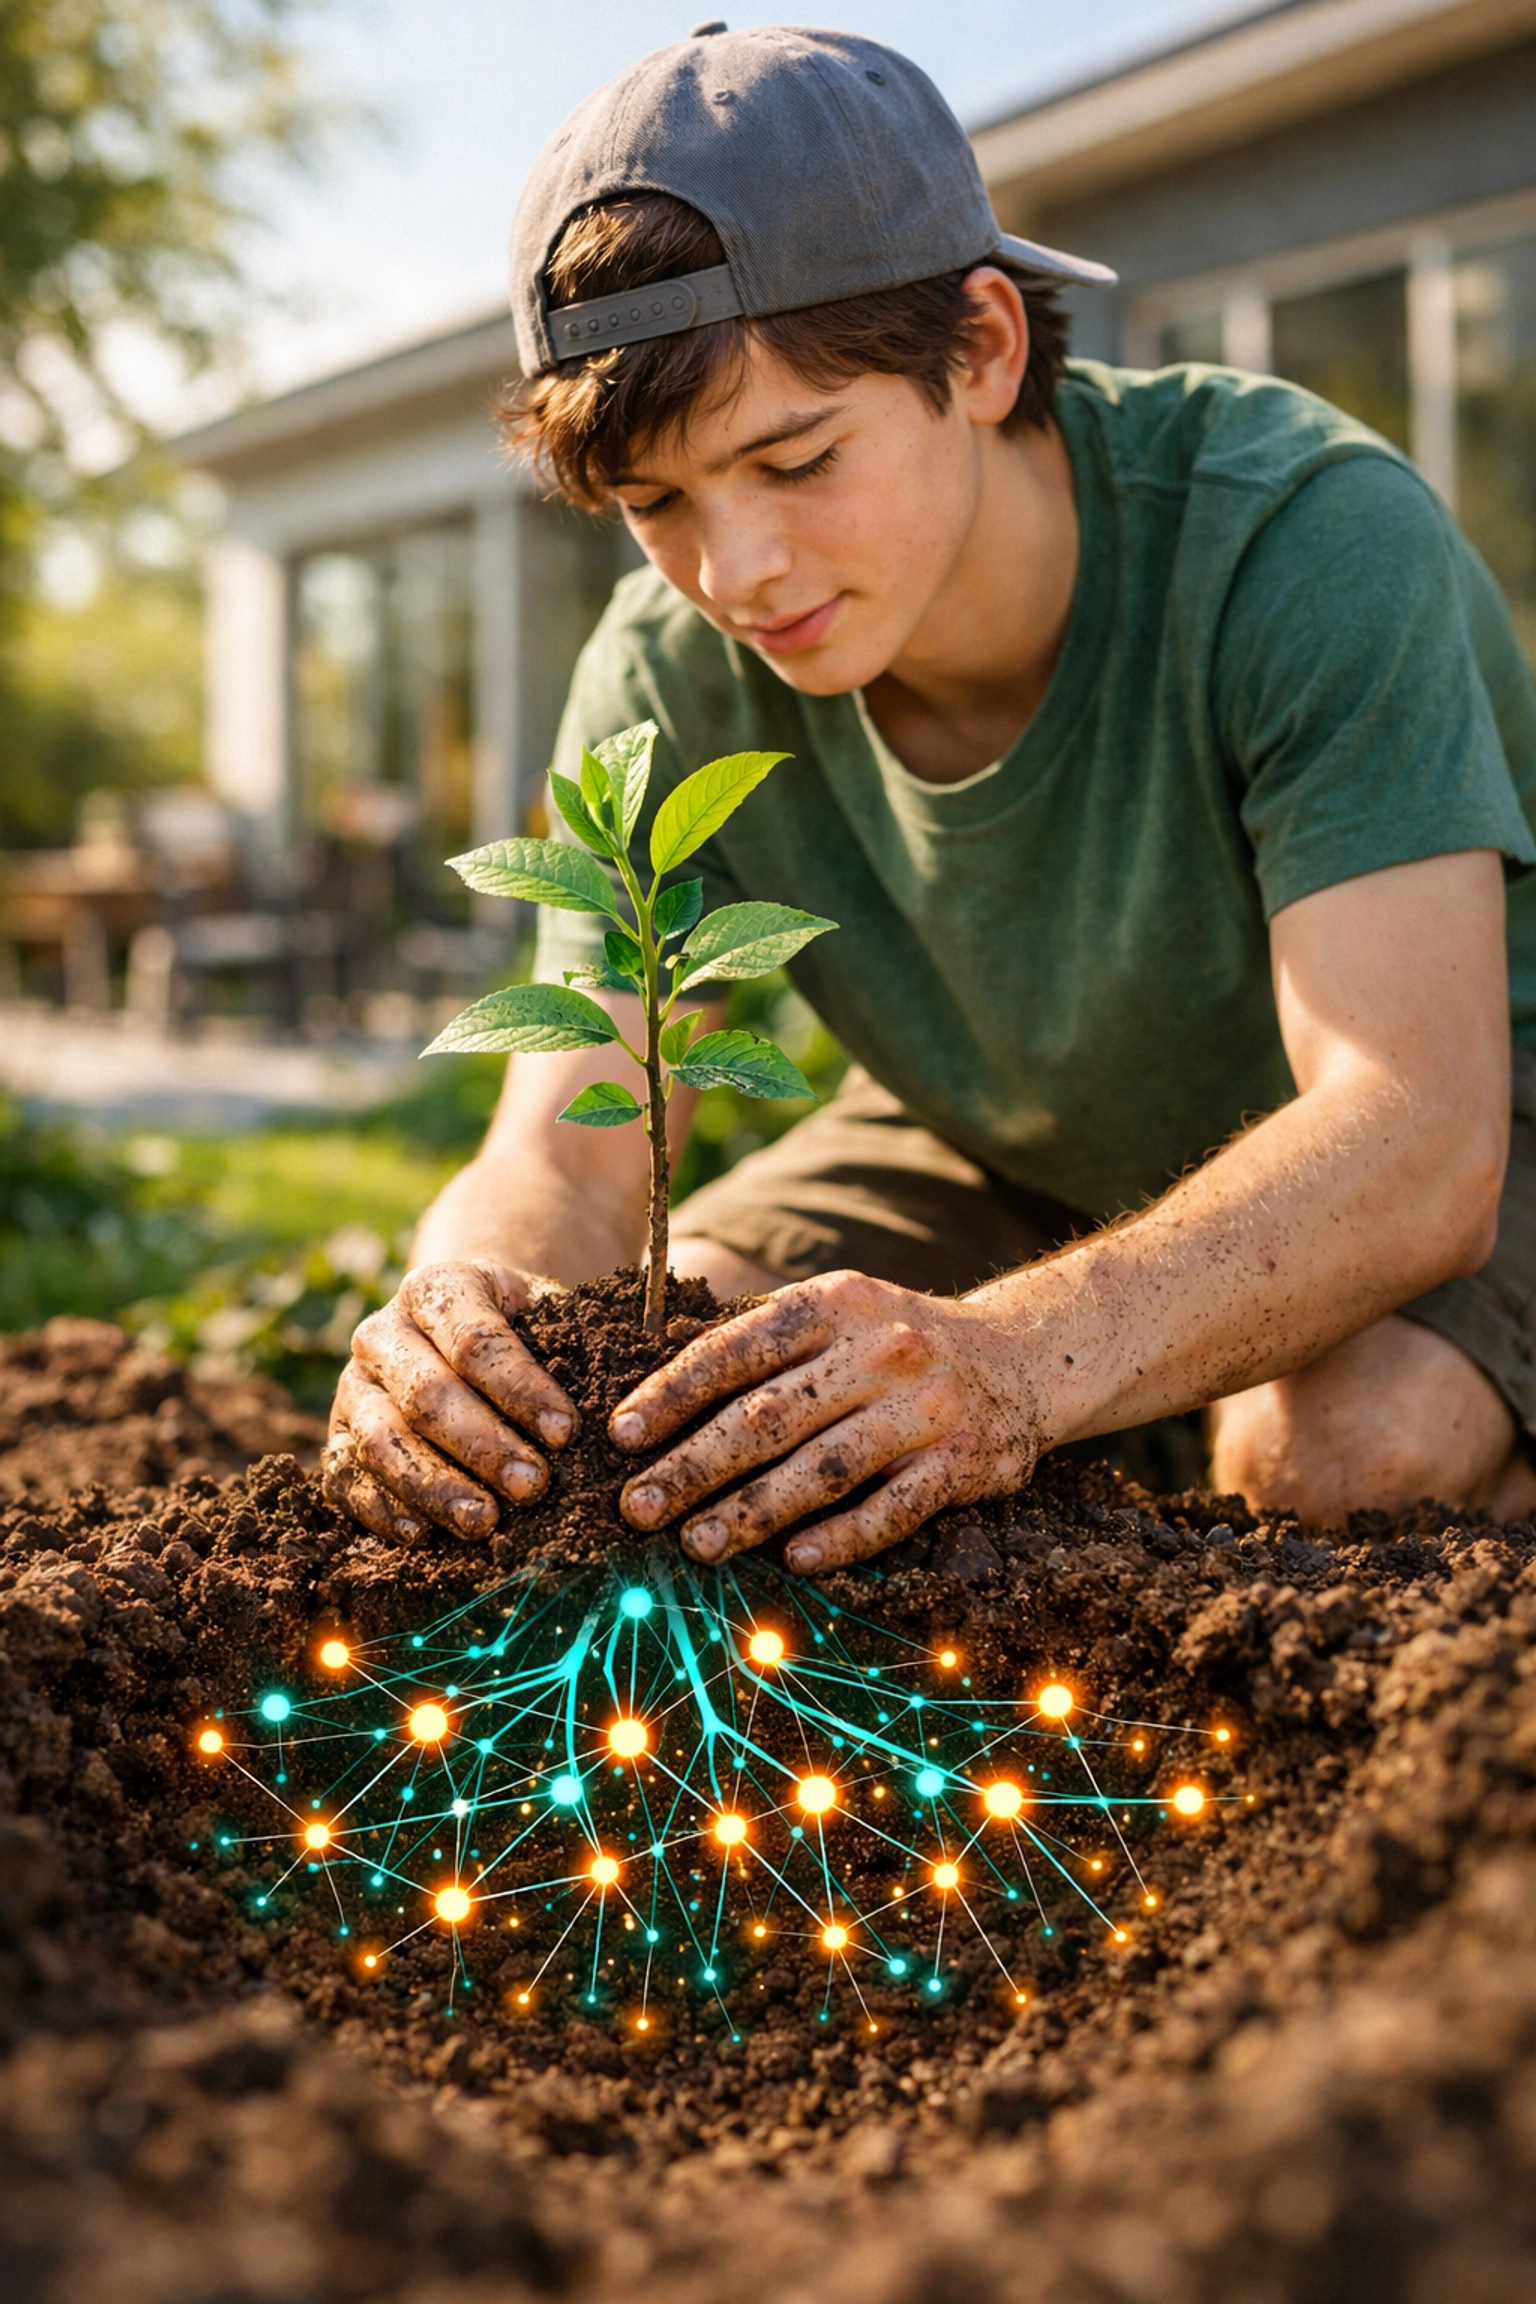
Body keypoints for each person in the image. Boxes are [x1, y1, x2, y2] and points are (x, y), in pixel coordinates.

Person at [325, 23, 1536, 1571]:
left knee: (1344, 1459)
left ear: (981, 349)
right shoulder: (674, 675)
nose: (734, 574)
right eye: (656, 505)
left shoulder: (1295, 540)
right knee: (676, 1405)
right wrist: (456, 1316)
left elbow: (1418, 1140)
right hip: (990, 1143)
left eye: (798, 459)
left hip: (1480, 1123)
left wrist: (1018, 1363)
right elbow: (567, 1155)